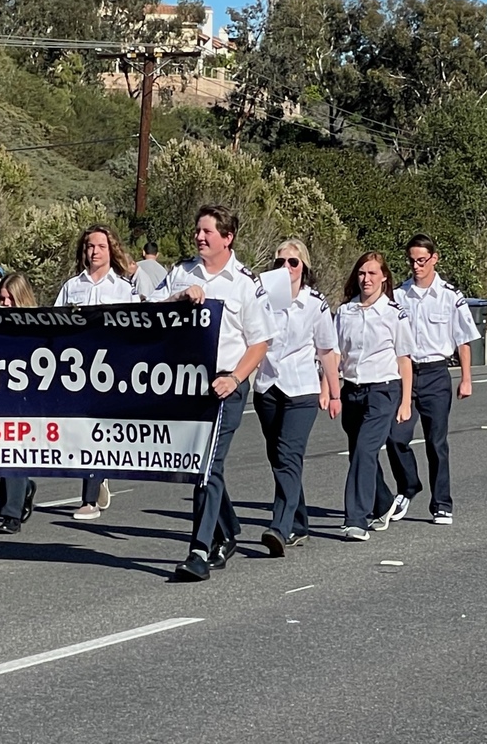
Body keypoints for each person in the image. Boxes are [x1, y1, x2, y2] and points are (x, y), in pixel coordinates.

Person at [150, 204, 275, 581]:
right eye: (197, 230)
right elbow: (149, 312)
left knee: (207, 464)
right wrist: (178, 298)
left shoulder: (245, 283)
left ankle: (199, 551)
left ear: (227, 237)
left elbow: (260, 342)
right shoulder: (180, 273)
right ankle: (227, 531)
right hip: (185, 384)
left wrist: (235, 379)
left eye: (207, 232)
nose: (199, 237)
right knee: (198, 466)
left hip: (225, 385)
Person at [383, 234, 481, 527]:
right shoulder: (399, 295)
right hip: (407, 375)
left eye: (422, 260)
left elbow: (464, 341)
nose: (416, 266)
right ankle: (408, 486)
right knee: (395, 436)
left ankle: (441, 504)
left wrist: (466, 378)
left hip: (437, 375)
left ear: (434, 259)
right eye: (412, 261)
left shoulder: (450, 296)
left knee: (436, 442)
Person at [253, 239, 341, 557]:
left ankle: (280, 526)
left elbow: (327, 350)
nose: (286, 268)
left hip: (302, 389)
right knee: (279, 458)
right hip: (267, 387)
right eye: (280, 262)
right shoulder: (261, 298)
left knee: (289, 455)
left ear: (304, 266)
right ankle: (300, 522)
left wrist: (333, 392)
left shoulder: (315, 304)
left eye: (293, 262)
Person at [55, 224, 137, 519]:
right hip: (76, 369)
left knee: (97, 430)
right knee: (81, 431)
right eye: (90, 246)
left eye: (101, 246)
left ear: (110, 250)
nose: (94, 252)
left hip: (109, 371)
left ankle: (88, 498)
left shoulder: (122, 289)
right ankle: (97, 475)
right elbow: (56, 324)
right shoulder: (71, 286)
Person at [335, 251, 412, 541]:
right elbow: (338, 354)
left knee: (366, 451)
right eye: (361, 273)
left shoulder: (393, 313)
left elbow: (404, 359)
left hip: (383, 390)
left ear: (384, 278)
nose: (366, 279)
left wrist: (405, 402)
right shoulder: (345, 312)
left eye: (372, 273)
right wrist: (328, 388)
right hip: (352, 390)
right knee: (358, 453)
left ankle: (355, 519)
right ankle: (383, 502)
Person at [0, 272, 39, 534]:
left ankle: (11, 514)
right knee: (4, 452)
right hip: (1, 394)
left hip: (28, 396)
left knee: (16, 451)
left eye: (10, 299)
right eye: (1, 299)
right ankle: (20, 494)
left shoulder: (37, 323)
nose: (5, 304)